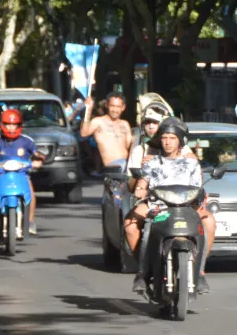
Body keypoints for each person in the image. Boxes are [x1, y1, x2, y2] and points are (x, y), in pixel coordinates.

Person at [124, 105, 215, 288]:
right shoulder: (151, 162)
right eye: (164, 138)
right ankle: (143, 272)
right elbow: (142, 181)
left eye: (172, 138)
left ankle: (200, 271)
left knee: (209, 221)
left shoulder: (191, 162)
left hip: (186, 207)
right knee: (130, 224)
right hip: (157, 206)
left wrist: (200, 197)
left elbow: (197, 186)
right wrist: (140, 188)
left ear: (180, 141)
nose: (167, 142)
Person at [0, 109, 45, 237]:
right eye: (8, 124)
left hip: (22, 174)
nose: (11, 127)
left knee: (31, 193)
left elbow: (36, 153)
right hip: (1, 174)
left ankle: (30, 221)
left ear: (19, 125)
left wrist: (40, 158)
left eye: (14, 124)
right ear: (2, 125)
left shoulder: (26, 140)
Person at [80, 92, 133, 170]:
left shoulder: (125, 124)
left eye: (118, 107)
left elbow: (129, 145)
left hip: (128, 163)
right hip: (114, 167)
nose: (115, 110)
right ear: (107, 105)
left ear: (123, 107)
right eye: (112, 106)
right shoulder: (98, 122)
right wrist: (88, 110)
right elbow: (84, 133)